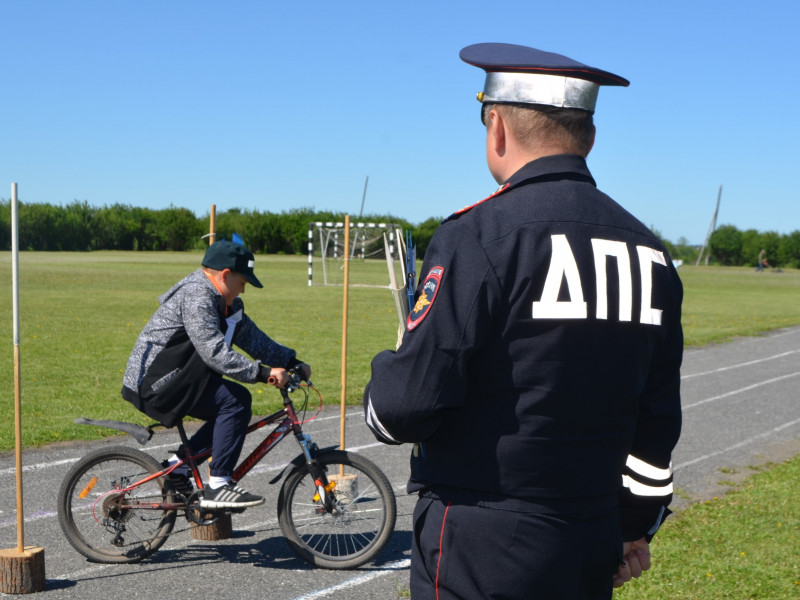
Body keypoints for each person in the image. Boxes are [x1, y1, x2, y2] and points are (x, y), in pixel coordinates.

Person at [363, 43, 683, 599]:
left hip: (483, 537)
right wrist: (631, 528)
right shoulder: (649, 252)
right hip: (592, 536)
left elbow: (401, 411)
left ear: (497, 128)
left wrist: (384, 381)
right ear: (589, 135)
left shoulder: (479, 233)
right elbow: (656, 425)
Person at [122, 239, 311, 509]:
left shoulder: (226, 303)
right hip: (156, 382)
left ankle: (177, 468)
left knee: (231, 404)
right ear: (224, 275)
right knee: (234, 402)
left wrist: (291, 360)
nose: (244, 289)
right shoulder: (198, 296)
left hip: (182, 376)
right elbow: (214, 353)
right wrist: (264, 373)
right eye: (242, 282)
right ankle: (218, 486)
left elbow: (254, 340)